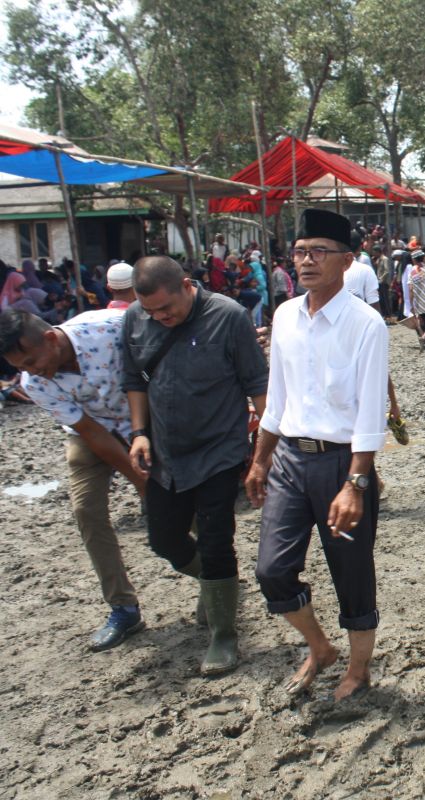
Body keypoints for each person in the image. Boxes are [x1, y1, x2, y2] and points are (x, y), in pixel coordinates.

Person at [244, 209, 388, 701]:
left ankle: (359, 666)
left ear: (347, 261)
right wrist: (260, 459)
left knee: (351, 569)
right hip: (288, 459)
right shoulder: (284, 315)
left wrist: (356, 483)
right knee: (272, 571)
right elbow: (276, 397)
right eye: (301, 251)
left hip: (341, 461)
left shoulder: (365, 324)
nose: (306, 260)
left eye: (318, 252)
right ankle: (319, 647)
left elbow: (372, 414)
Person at [121, 256, 268, 676]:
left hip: (220, 450)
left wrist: (267, 452)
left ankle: (224, 633)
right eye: (151, 312)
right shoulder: (135, 319)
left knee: (218, 539)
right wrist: (139, 433)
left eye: (166, 309)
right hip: (165, 452)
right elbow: (133, 379)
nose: (159, 318)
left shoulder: (228, 316)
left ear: (187, 285)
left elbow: (257, 383)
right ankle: (217, 584)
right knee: (164, 539)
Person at [1, 308, 147, 651]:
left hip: (145, 422)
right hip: (91, 433)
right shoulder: (34, 383)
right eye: (21, 368)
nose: (32, 372)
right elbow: (91, 432)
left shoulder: (110, 330)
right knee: (86, 511)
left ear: (51, 338)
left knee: (176, 499)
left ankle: (215, 577)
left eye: (33, 361)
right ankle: (123, 608)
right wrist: (138, 480)